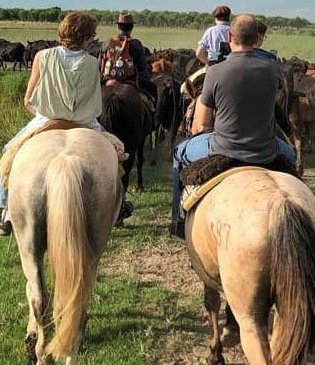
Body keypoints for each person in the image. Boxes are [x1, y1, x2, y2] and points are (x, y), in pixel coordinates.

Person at [171, 14, 296, 239]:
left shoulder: (215, 72)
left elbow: (201, 125)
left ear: (229, 37)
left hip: (223, 148)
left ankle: (178, 221)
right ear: (258, 38)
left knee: (179, 154)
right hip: (267, 149)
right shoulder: (273, 70)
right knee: (292, 157)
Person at [0, 11, 104, 235]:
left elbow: (28, 100)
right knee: (116, 154)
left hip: (46, 121)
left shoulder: (42, 56)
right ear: (87, 38)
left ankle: (3, 212)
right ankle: (118, 203)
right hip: (85, 124)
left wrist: (45, 115)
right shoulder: (93, 63)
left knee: (10, 152)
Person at [100, 12, 157, 105]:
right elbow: (142, 70)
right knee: (153, 89)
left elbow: (100, 67)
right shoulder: (136, 44)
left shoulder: (106, 43)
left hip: (107, 80)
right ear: (132, 28)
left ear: (118, 27)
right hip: (132, 80)